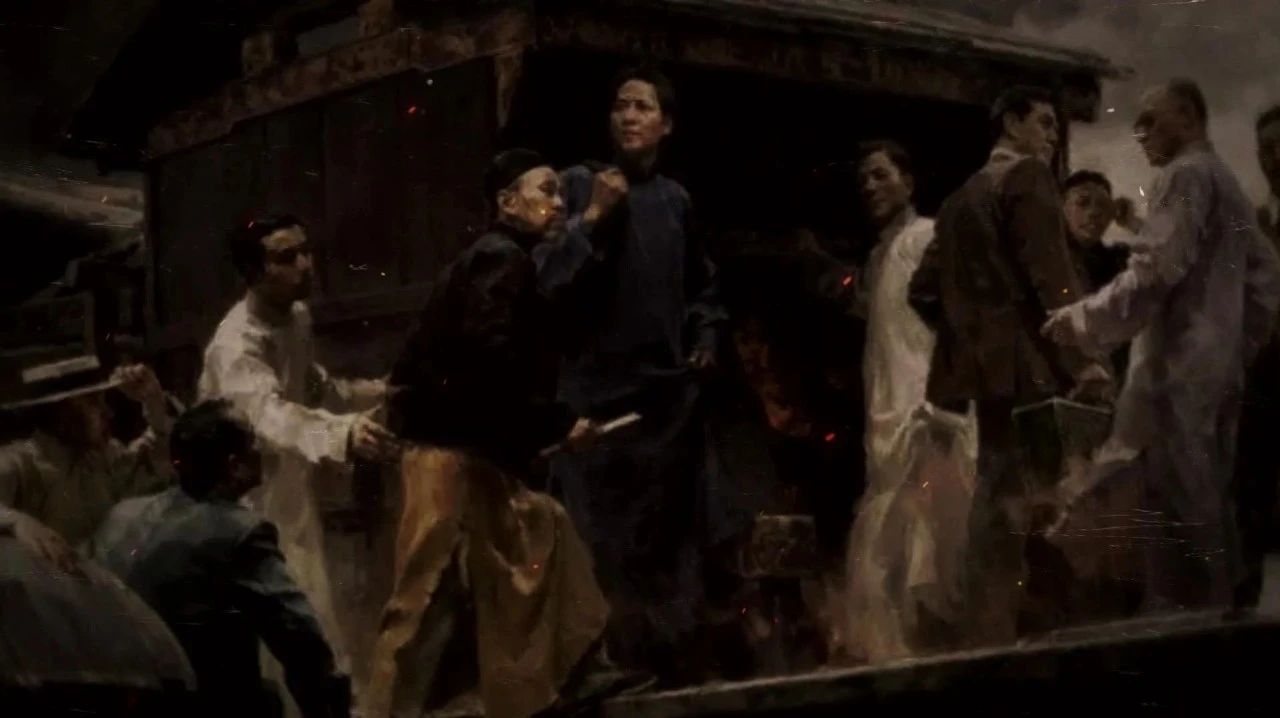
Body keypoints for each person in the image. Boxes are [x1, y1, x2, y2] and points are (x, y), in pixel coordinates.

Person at [366, 149, 643, 718]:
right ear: (507, 202)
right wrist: (555, 422)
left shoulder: (507, 261)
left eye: (560, 192)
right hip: (446, 455)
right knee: (425, 596)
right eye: (546, 191)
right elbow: (488, 357)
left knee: (545, 528)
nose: (558, 203)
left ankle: (571, 674)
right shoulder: (500, 258)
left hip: (470, 452)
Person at [534, 65, 742, 683]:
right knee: (598, 542)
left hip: (661, 401)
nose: (628, 116)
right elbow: (544, 275)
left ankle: (670, 669)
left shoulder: (675, 201)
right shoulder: (578, 185)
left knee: (667, 539)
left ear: (665, 124)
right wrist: (594, 216)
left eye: (642, 107)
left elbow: (704, 286)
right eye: (620, 105)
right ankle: (602, 671)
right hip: (595, 397)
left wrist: (705, 335)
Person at [1043, 79, 1280, 611]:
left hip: (1173, 375)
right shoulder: (1226, 183)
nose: (1139, 132)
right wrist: (1233, 349)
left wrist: (1079, 320)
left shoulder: (1187, 173)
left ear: (1188, 118)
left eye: (1151, 120)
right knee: (1203, 500)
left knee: (1176, 506)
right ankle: (1210, 621)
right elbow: (1267, 282)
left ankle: (1192, 629)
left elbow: (1151, 274)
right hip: (1212, 374)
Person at [908, 86, 1112, 646]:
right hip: (1033, 370)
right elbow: (1051, 275)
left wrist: (975, 337)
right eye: (1044, 123)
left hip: (988, 379)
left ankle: (993, 630)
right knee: (1044, 501)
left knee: (1001, 496)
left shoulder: (958, 201)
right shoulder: (1027, 177)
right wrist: (1085, 361)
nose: (1052, 137)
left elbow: (922, 291)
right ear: (1012, 123)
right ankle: (1033, 633)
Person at [198, 215, 401, 673]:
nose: (305, 265)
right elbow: (268, 416)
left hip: (289, 485)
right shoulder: (234, 347)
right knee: (278, 621)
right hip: (243, 496)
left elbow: (312, 387)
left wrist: (374, 394)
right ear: (253, 272)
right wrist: (342, 433)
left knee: (315, 606)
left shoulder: (296, 318)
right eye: (287, 257)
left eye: (305, 252)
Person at [91, 400, 349, 718]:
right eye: (253, 441)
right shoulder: (237, 532)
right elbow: (301, 640)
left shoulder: (121, 515)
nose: (262, 448)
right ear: (234, 465)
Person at [843, 141, 978, 662]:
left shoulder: (926, 237)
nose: (870, 187)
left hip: (924, 405)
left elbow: (953, 319)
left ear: (909, 182)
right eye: (864, 180)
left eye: (880, 175)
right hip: (888, 402)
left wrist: (942, 397)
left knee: (930, 527)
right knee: (891, 536)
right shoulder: (879, 257)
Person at [1, 360, 174, 547]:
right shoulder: (19, 463)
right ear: (59, 412)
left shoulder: (102, 457)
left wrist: (154, 406)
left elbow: (155, 467)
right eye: (93, 402)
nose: (108, 413)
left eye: (103, 401)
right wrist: (15, 522)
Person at [1235, 104, 1280, 607]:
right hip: (1264, 368)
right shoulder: (1256, 222)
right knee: (1251, 479)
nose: (1273, 157)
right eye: (1265, 149)